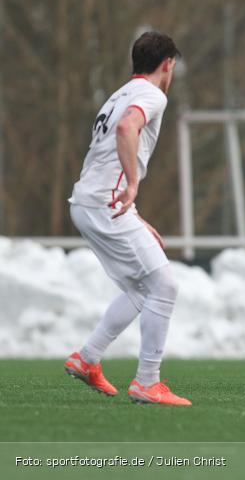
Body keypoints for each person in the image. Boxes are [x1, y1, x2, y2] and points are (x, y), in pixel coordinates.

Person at [65, 31, 190, 406]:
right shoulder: (152, 95)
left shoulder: (118, 94)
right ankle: (147, 382)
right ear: (167, 64)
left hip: (87, 203)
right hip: (103, 204)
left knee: (141, 289)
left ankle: (87, 358)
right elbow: (126, 129)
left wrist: (133, 212)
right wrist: (133, 185)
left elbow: (106, 154)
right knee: (164, 286)